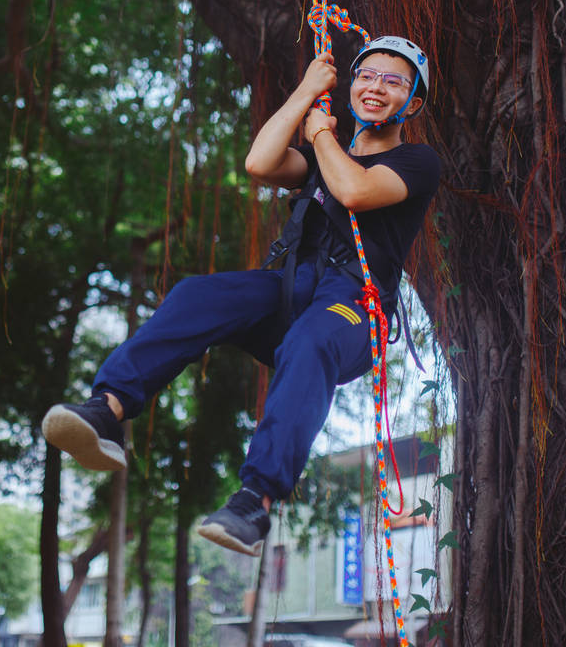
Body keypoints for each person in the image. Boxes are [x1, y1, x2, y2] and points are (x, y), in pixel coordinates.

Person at [43, 36, 441, 556]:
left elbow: (355, 192)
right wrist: (305, 93)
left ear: (411, 103)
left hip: (352, 310)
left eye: (394, 82)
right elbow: (260, 163)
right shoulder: (324, 153)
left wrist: (321, 134)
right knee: (196, 296)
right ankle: (109, 408)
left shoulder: (417, 161)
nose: (376, 87)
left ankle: (256, 499)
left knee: (311, 340)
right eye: (367, 75)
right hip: (292, 287)